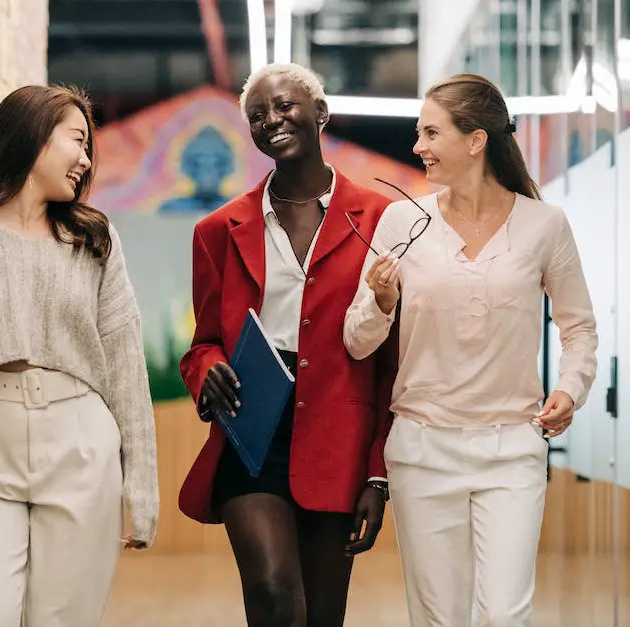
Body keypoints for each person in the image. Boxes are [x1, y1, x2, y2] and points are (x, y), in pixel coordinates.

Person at [343, 74, 598, 627]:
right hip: (421, 450)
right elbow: (357, 342)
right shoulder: (402, 221)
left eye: (431, 132)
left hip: (512, 451)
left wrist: (570, 389)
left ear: (476, 140)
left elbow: (579, 329)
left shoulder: (544, 225)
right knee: (439, 618)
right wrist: (380, 301)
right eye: (419, 133)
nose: (418, 147)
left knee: (506, 615)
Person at [0, 85, 159, 627]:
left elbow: (125, 365)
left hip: (81, 443)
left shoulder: (94, 241)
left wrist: (140, 485)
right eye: (77, 141)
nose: (86, 159)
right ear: (34, 139)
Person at [178, 63, 398, 627]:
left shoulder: (381, 220)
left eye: (284, 107)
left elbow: (392, 362)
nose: (271, 120)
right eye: (257, 115)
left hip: (339, 435)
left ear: (320, 113)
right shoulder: (217, 231)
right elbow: (202, 343)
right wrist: (208, 370)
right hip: (251, 430)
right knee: (274, 592)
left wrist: (378, 473)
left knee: (322, 615)